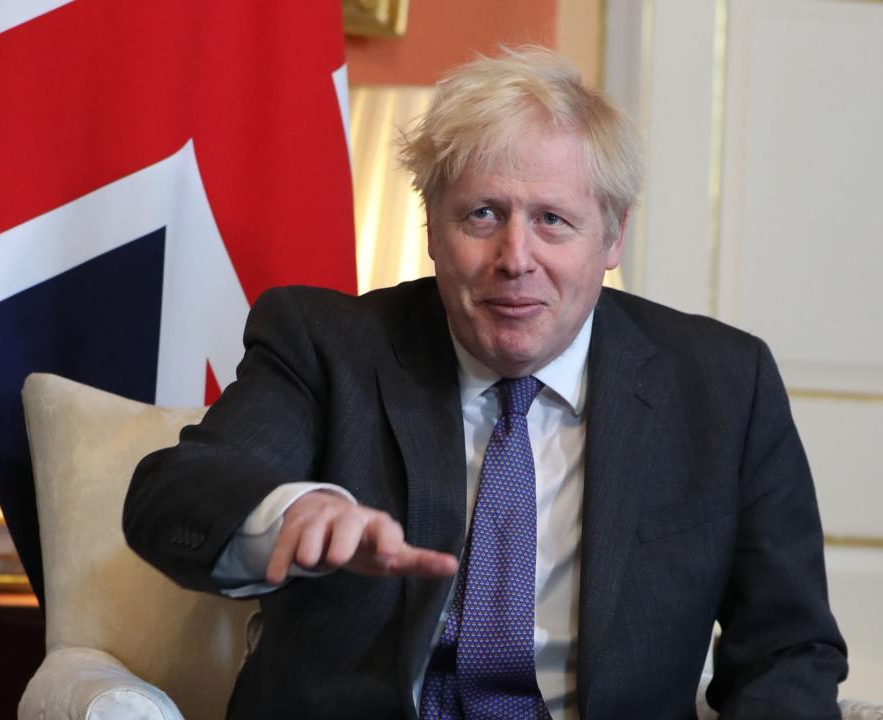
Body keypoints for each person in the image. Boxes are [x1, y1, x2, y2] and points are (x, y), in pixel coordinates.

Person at [123, 45, 847, 719]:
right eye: (483, 214)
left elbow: (790, 649)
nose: (515, 258)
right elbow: (172, 496)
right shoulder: (326, 345)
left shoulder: (722, 385)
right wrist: (288, 512)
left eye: (554, 221)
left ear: (613, 237)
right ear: (432, 227)